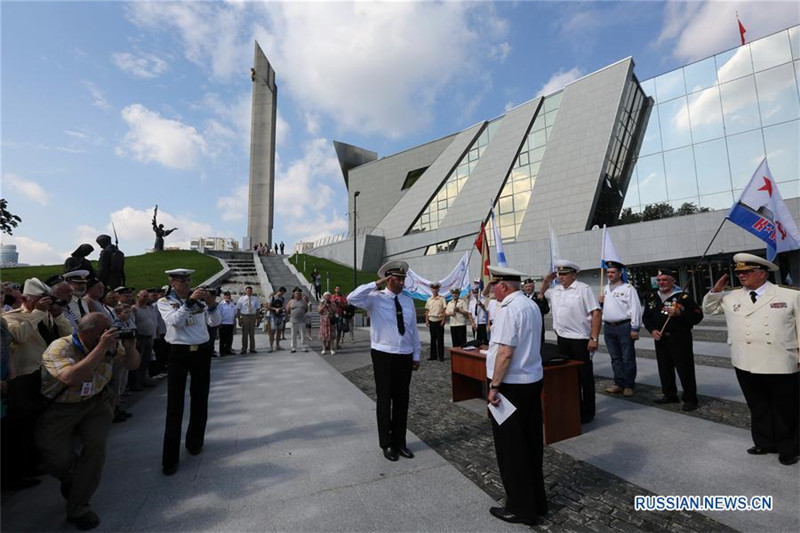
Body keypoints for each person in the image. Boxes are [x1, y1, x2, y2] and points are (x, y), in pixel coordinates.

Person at [36, 312, 139, 531]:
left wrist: (130, 347)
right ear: (84, 333)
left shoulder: (107, 343)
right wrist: (101, 347)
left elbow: (133, 365)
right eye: (102, 332)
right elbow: (72, 378)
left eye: (109, 330)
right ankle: (75, 480)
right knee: (58, 460)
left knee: (95, 447)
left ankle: (79, 507)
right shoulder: (60, 348)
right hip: (61, 408)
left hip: (96, 403)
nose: (108, 335)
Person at [702, 253, 799, 466]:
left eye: (746, 272)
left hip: (780, 361)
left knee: (785, 408)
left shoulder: (788, 295)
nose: (741, 276)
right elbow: (708, 309)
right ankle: (764, 442)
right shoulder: (731, 297)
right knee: (758, 405)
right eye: (739, 272)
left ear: (762, 273)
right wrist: (716, 290)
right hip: (745, 361)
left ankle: (788, 448)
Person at [485, 265, 547, 526]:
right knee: (531, 443)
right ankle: (537, 501)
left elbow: (506, 352)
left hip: (510, 386)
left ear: (503, 285)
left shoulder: (509, 308)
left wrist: (494, 386)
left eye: (494, 286)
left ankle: (520, 508)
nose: (492, 291)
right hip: (531, 380)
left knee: (511, 449)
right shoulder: (530, 304)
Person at [348, 261, 421, 462]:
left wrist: (416, 355)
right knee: (385, 397)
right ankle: (386, 443)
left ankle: (400, 442)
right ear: (389, 279)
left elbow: (413, 329)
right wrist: (376, 283)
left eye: (403, 279)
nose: (401, 282)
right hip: (383, 353)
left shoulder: (408, 301)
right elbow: (351, 298)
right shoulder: (375, 298)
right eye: (397, 279)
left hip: (404, 354)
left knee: (402, 399)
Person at [4, 279, 74, 487]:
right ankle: (18, 470)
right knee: (21, 425)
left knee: (40, 422)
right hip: (24, 377)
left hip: (45, 375)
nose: (42, 303)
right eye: (37, 299)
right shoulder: (12, 317)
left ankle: (35, 461)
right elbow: (19, 336)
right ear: (24, 299)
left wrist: (57, 315)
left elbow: (68, 334)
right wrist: (37, 313)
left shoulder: (46, 316)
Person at [157, 268, 221, 476]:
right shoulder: (165, 302)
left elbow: (214, 322)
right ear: (172, 282)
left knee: (200, 399)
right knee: (175, 404)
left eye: (187, 280)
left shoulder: (200, 301)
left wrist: (211, 305)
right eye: (180, 281)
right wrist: (190, 302)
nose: (185, 284)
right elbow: (174, 321)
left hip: (201, 352)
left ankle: (195, 443)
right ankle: (170, 459)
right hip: (179, 352)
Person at [542, 260, 601, 423]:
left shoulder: (583, 289)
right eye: (559, 274)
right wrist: (547, 280)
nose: (561, 277)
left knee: (585, 377)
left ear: (573, 274)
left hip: (581, 340)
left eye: (564, 274)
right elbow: (541, 294)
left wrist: (594, 338)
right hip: (563, 339)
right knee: (568, 376)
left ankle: (588, 412)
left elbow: (596, 313)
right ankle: (573, 407)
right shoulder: (556, 290)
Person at [642, 268, 703, 411]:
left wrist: (680, 313)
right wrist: (652, 330)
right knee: (664, 368)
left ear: (672, 281)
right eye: (658, 280)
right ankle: (669, 394)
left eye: (664, 280)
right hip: (661, 338)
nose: (661, 283)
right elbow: (646, 317)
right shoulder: (652, 297)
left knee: (685, 369)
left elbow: (697, 316)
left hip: (679, 338)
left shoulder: (682, 297)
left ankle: (690, 399)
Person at [599, 262, 642, 397]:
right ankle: (619, 383)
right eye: (608, 272)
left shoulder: (628, 288)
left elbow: (635, 308)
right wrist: (600, 302)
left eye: (613, 272)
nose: (610, 274)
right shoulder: (605, 288)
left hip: (624, 326)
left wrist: (635, 328)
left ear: (619, 273)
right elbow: (603, 308)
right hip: (609, 327)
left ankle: (629, 385)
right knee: (615, 358)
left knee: (627, 357)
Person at [521, 278, 549, 349]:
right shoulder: (521, 298)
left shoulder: (539, 296)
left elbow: (546, 310)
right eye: (526, 287)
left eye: (529, 286)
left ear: (533, 287)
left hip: (537, 326)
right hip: (525, 327)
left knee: (539, 346)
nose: (528, 288)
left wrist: (541, 300)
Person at [425, 283, 446, 361]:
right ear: (431, 290)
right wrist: (426, 320)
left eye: (436, 289)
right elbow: (427, 311)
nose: (434, 290)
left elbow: (444, 310)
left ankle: (441, 356)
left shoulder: (442, 299)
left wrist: (443, 320)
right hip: (431, 320)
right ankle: (433, 356)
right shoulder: (429, 299)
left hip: (439, 321)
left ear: (438, 290)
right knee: (432, 339)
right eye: (433, 289)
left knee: (440, 339)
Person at [236, 286, 260, 354]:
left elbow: (258, 309)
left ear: (252, 291)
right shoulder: (241, 299)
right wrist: (239, 319)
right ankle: (244, 348)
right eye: (248, 290)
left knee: (252, 333)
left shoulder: (255, 299)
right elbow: (238, 310)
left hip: (252, 316)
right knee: (244, 334)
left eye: (250, 290)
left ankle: (252, 348)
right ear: (245, 291)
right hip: (244, 316)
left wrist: (258, 319)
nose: (249, 292)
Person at [286, 288, 309, 353]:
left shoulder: (304, 301)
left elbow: (306, 309)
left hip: (302, 320)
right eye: (296, 293)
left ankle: (303, 346)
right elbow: (287, 310)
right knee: (293, 334)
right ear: (294, 294)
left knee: (303, 334)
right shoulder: (291, 301)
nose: (298, 294)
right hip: (293, 321)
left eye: (299, 293)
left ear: (301, 294)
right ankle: (293, 347)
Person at [267, 287, 286, 352]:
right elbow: (268, 306)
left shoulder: (282, 298)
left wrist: (280, 309)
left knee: (279, 331)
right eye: (282, 292)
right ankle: (271, 347)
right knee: (272, 331)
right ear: (279, 291)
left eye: (283, 293)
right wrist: (275, 309)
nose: (282, 294)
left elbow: (284, 306)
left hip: (280, 316)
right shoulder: (273, 297)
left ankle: (277, 345)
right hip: (273, 316)